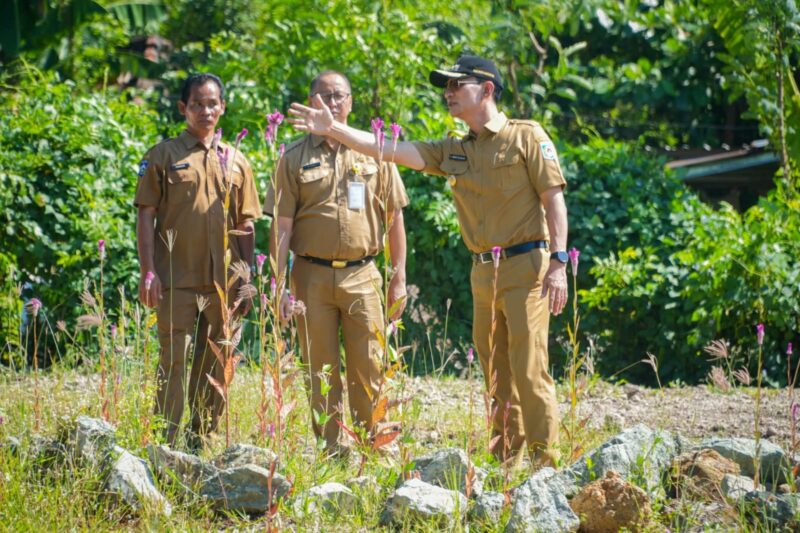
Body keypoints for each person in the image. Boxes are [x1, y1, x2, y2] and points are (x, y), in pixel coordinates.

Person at [288, 55, 568, 467]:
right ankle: (506, 460)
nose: (448, 92)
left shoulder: (526, 136)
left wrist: (560, 261)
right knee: (496, 374)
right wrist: (336, 130)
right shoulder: (453, 150)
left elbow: (554, 199)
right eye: (447, 86)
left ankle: (547, 466)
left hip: (527, 266)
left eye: (458, 85)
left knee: (529, 369)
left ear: (487, 89)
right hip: (482, 272)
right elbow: (388, 149)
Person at [264, 70, 409, 455]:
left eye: (339, 96)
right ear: (311, 102)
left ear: (351, 102)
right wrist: (278, 286)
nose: (332, 103)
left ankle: (372, 448)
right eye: (324, 96)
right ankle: (330, 452)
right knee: (319, 369)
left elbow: (395, 217)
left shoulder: (374, 150)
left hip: (364, 274)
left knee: (371, 367)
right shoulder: (293, 157)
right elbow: (281, 228)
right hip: (310, 278)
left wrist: (399, 278)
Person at [135, 73, 261, 448]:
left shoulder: (237, 161)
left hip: (223, 283)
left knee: (217, 360)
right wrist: (148, 272)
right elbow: (146, 215)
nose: (206, 111)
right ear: (183, 108)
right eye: (197, 104)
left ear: (223, 107)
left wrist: (246, 279)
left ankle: (201, 437)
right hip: (176, 279)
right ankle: (166, 442)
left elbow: (246, 224)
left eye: (212, 103)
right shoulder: (162, 156)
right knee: (173, 359)